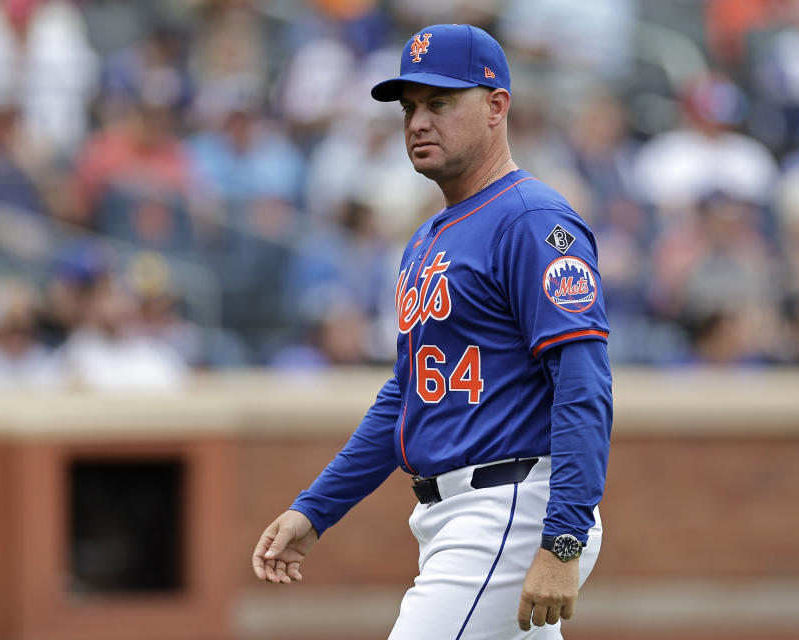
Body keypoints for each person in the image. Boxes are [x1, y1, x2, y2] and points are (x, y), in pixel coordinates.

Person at [251, 24, 612, 639]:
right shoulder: (427, 237)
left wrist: (564, 537)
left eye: (440, 102)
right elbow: (406, 395)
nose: (419, 121)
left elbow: (582, 383)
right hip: (458, 515)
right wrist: (317, 507)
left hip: (509, 507)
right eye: (410, 106)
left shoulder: (532, 221)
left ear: (496, 105)